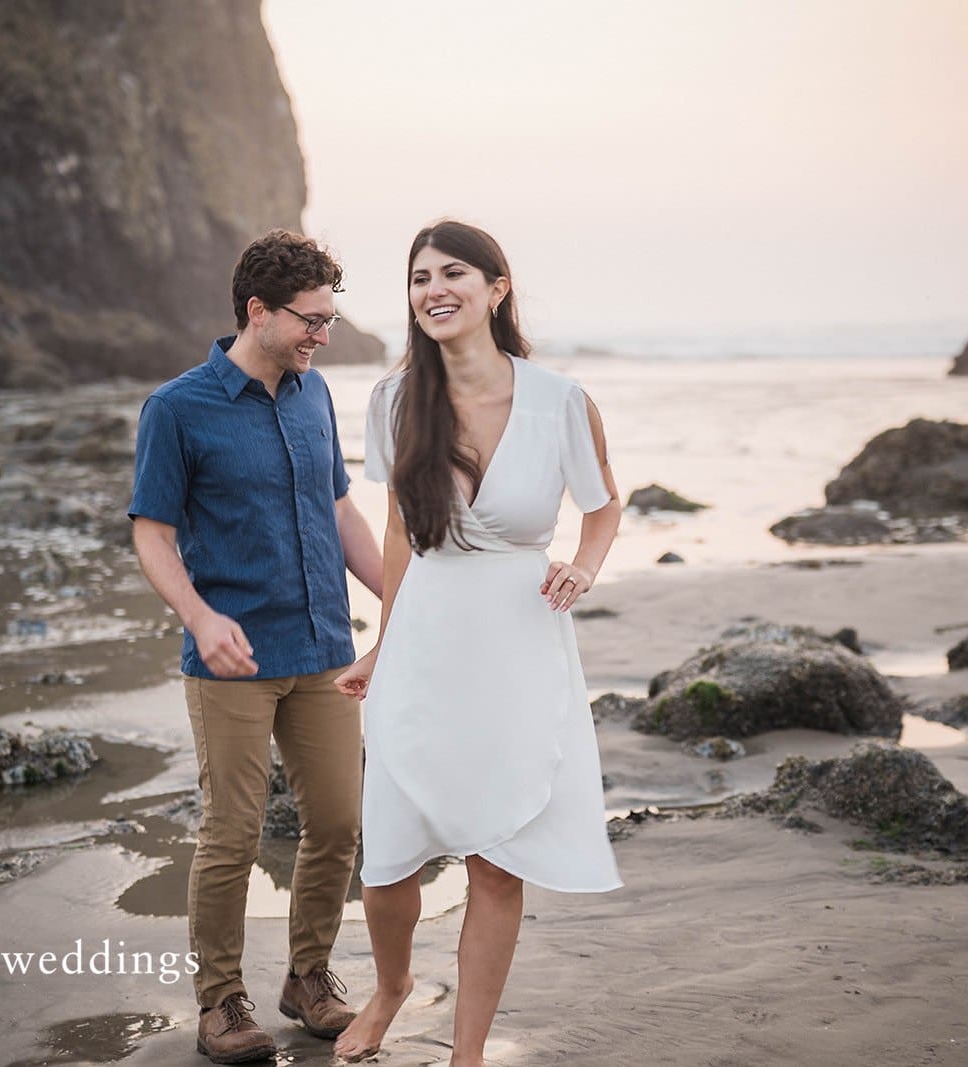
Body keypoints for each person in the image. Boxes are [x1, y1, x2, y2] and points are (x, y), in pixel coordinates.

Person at [332, 220, 623, 1065]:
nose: (432, 289)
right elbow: (395, 534)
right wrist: (384, 643)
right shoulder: (394, 402)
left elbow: (604, 504)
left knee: (497, 860)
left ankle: (467, 1052)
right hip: (425, 637)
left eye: (451, 272)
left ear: (497, 287)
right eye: (418, 278)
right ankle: (389, 989)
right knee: (388, 861)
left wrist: (586, 564)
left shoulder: (560, 400)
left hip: (521, 644)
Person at [129, 229, 384, 1064]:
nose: (321, 334)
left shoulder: (313, 394)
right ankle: (221, 1000)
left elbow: (340, 508)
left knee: (341, 823)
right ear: (258, 312)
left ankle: (308, 976)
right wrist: (200, 617)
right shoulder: (177, 408)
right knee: (232, 834)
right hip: (231, 659)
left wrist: (400, 595)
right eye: (309, 320)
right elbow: (154, 535)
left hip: (322, 649)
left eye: (327, 320)